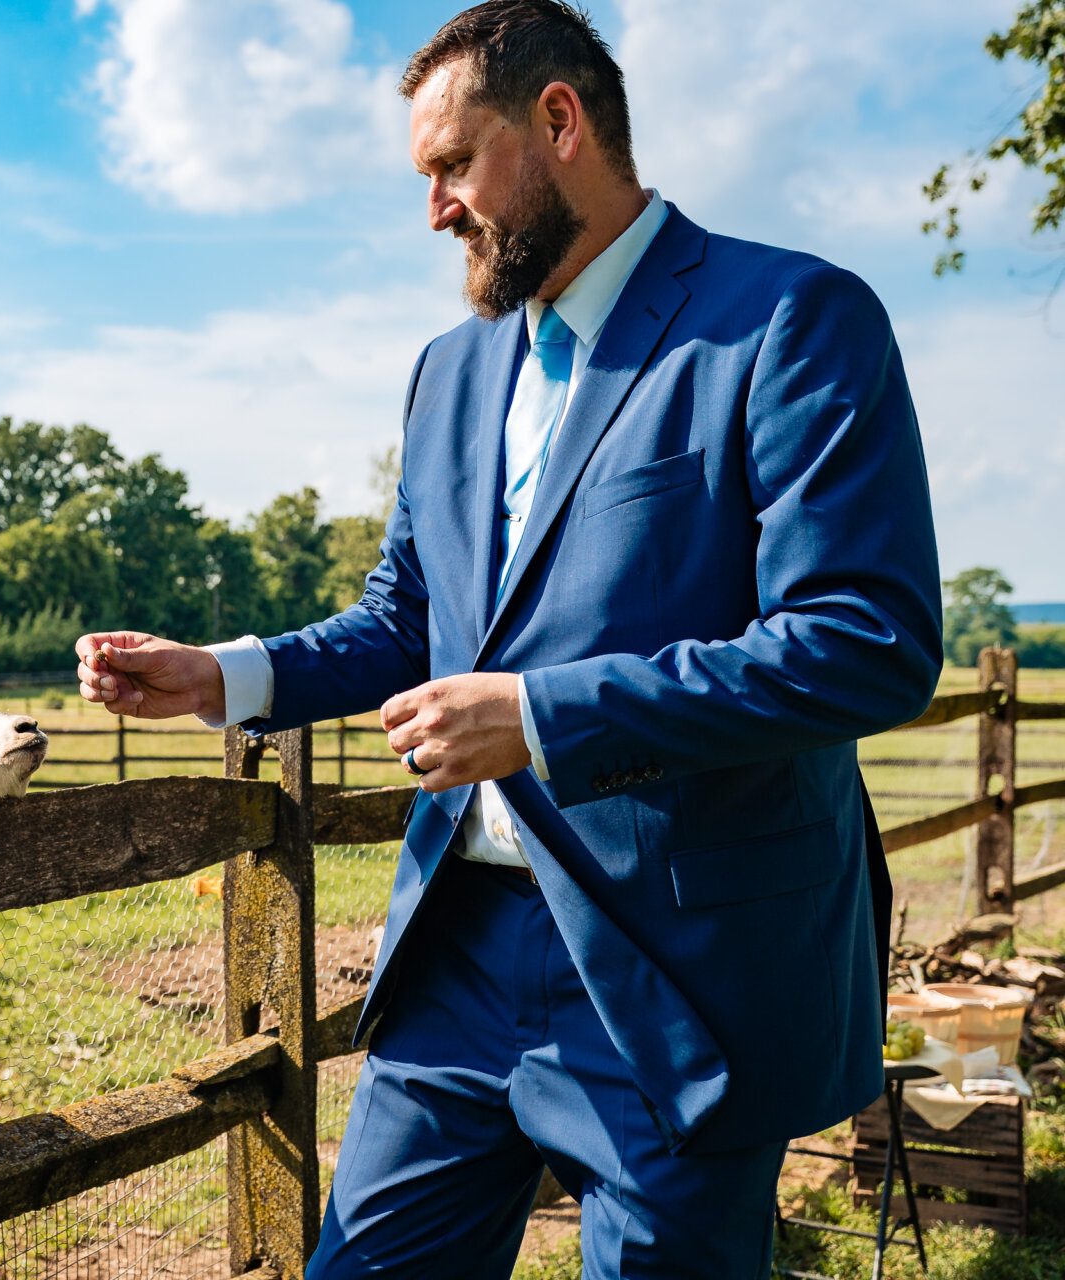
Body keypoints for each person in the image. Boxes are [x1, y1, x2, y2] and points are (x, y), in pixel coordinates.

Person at [74, 2, 942, 1275]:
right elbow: (409, 615)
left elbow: (864, 638)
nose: (434, 209)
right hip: (458, 955)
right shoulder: (449, 369)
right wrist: (229, 674)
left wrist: (541, 718)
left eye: (451, 165)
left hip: (674, 967)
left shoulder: (795, 319)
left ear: (558, 122)